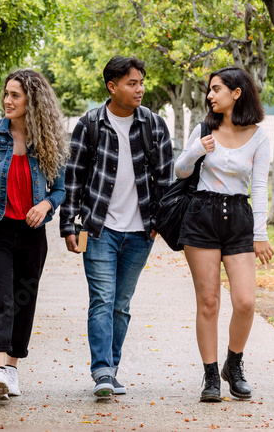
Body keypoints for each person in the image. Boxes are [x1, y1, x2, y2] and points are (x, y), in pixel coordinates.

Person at [60, 56, 174, 398]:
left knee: (121, 304)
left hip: (141, 232)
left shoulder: (153, 124)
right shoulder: (90, 124)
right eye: (132, 83)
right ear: (112, 87)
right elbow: (74, 178)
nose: (139, 89)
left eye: (141, 82)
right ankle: (103, 372)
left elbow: (166, 181)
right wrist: (69, 223)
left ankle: (112, 367)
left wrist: (159, 224)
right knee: (102, 299)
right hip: (99, 229)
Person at [0, 69, 69, 400]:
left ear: (32, 101)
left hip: (31, 231)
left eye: (15, 96)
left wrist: (47, 205)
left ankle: (11, 370)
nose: (7, 101)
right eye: (6, 94)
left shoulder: (49, 139)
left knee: (23, 300)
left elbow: (61, 189)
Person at [174, 66, 273, 402]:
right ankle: (210, 376)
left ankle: (234, 363)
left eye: (216, 89)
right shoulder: (205, 128)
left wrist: (260, 233)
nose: (210, 95)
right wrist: (198, 149)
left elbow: (259, 186)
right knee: (209, 302)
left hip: (239, 218)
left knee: (245, 301)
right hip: (202, 215)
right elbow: (180, 169)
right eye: (209, 90)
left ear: (237, 93)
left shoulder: (259, 136)